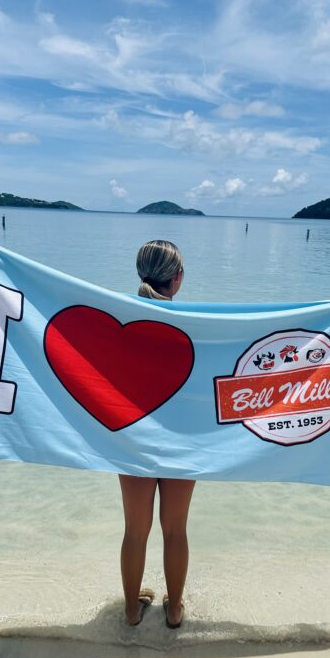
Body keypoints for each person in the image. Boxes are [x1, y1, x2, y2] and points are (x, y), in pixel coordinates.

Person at [119, 240, 195, 629]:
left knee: (135, 530)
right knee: (175, 530)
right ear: (177, 278)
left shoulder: (118, 320)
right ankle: (176, 610)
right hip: (181, 440)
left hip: (133, 437)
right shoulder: (198, 326)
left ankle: (132, 612)